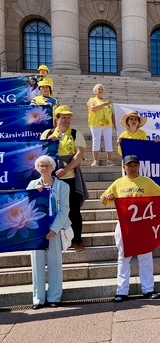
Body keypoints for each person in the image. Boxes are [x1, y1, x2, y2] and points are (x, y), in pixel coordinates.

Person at [100, 155, 160, 302]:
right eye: (129, 165)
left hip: (143, 227)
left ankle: (148, 289)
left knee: (145, 258)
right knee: (123, 259)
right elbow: (102, 200)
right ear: (124, 167)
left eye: (135, 164)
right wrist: (107, 197)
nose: (132, 167)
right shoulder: (118, 183)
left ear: (139, 166)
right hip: (125, 227)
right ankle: (122, 291)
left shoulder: (147, 182)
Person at [41, 105, 87, 251]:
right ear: (57, 118)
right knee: (48, 208)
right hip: (50, 178)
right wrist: (49, 141)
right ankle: (47, 239)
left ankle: (77, 240)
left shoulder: (75, 133)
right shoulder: (47, 133)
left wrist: (66, 169)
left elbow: (79, 155)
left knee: (73, 209)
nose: (67, 120)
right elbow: (40, 153)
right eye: (64, 117)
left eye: (69, 117)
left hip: (69, 176)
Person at [27, 155, 71, 309]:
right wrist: (35, 192)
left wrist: (54, 228)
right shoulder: (32, 184)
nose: (44, 168)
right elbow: (27, 205)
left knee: (55, 262)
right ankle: (38, 298)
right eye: (41, 165)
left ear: (52, 167)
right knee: (36, 263)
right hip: (37, 230)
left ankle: (54, 297)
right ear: (36, 168)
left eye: (47, 165)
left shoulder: (63, 186)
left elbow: (65, 209)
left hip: (54, 228)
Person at [87, 83, 115, 166]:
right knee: (96, 141)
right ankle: (95, 160)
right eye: (99, 89)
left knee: (108, 142)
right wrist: (104, 104)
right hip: (96, 124)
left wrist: (115, 124)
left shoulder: (107, 102)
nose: (100, 90)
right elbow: (93, 108)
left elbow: (112, 114)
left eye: (102, 89)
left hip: (107, 124)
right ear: (95, 91)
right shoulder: (92, 100)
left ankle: (109, 160)